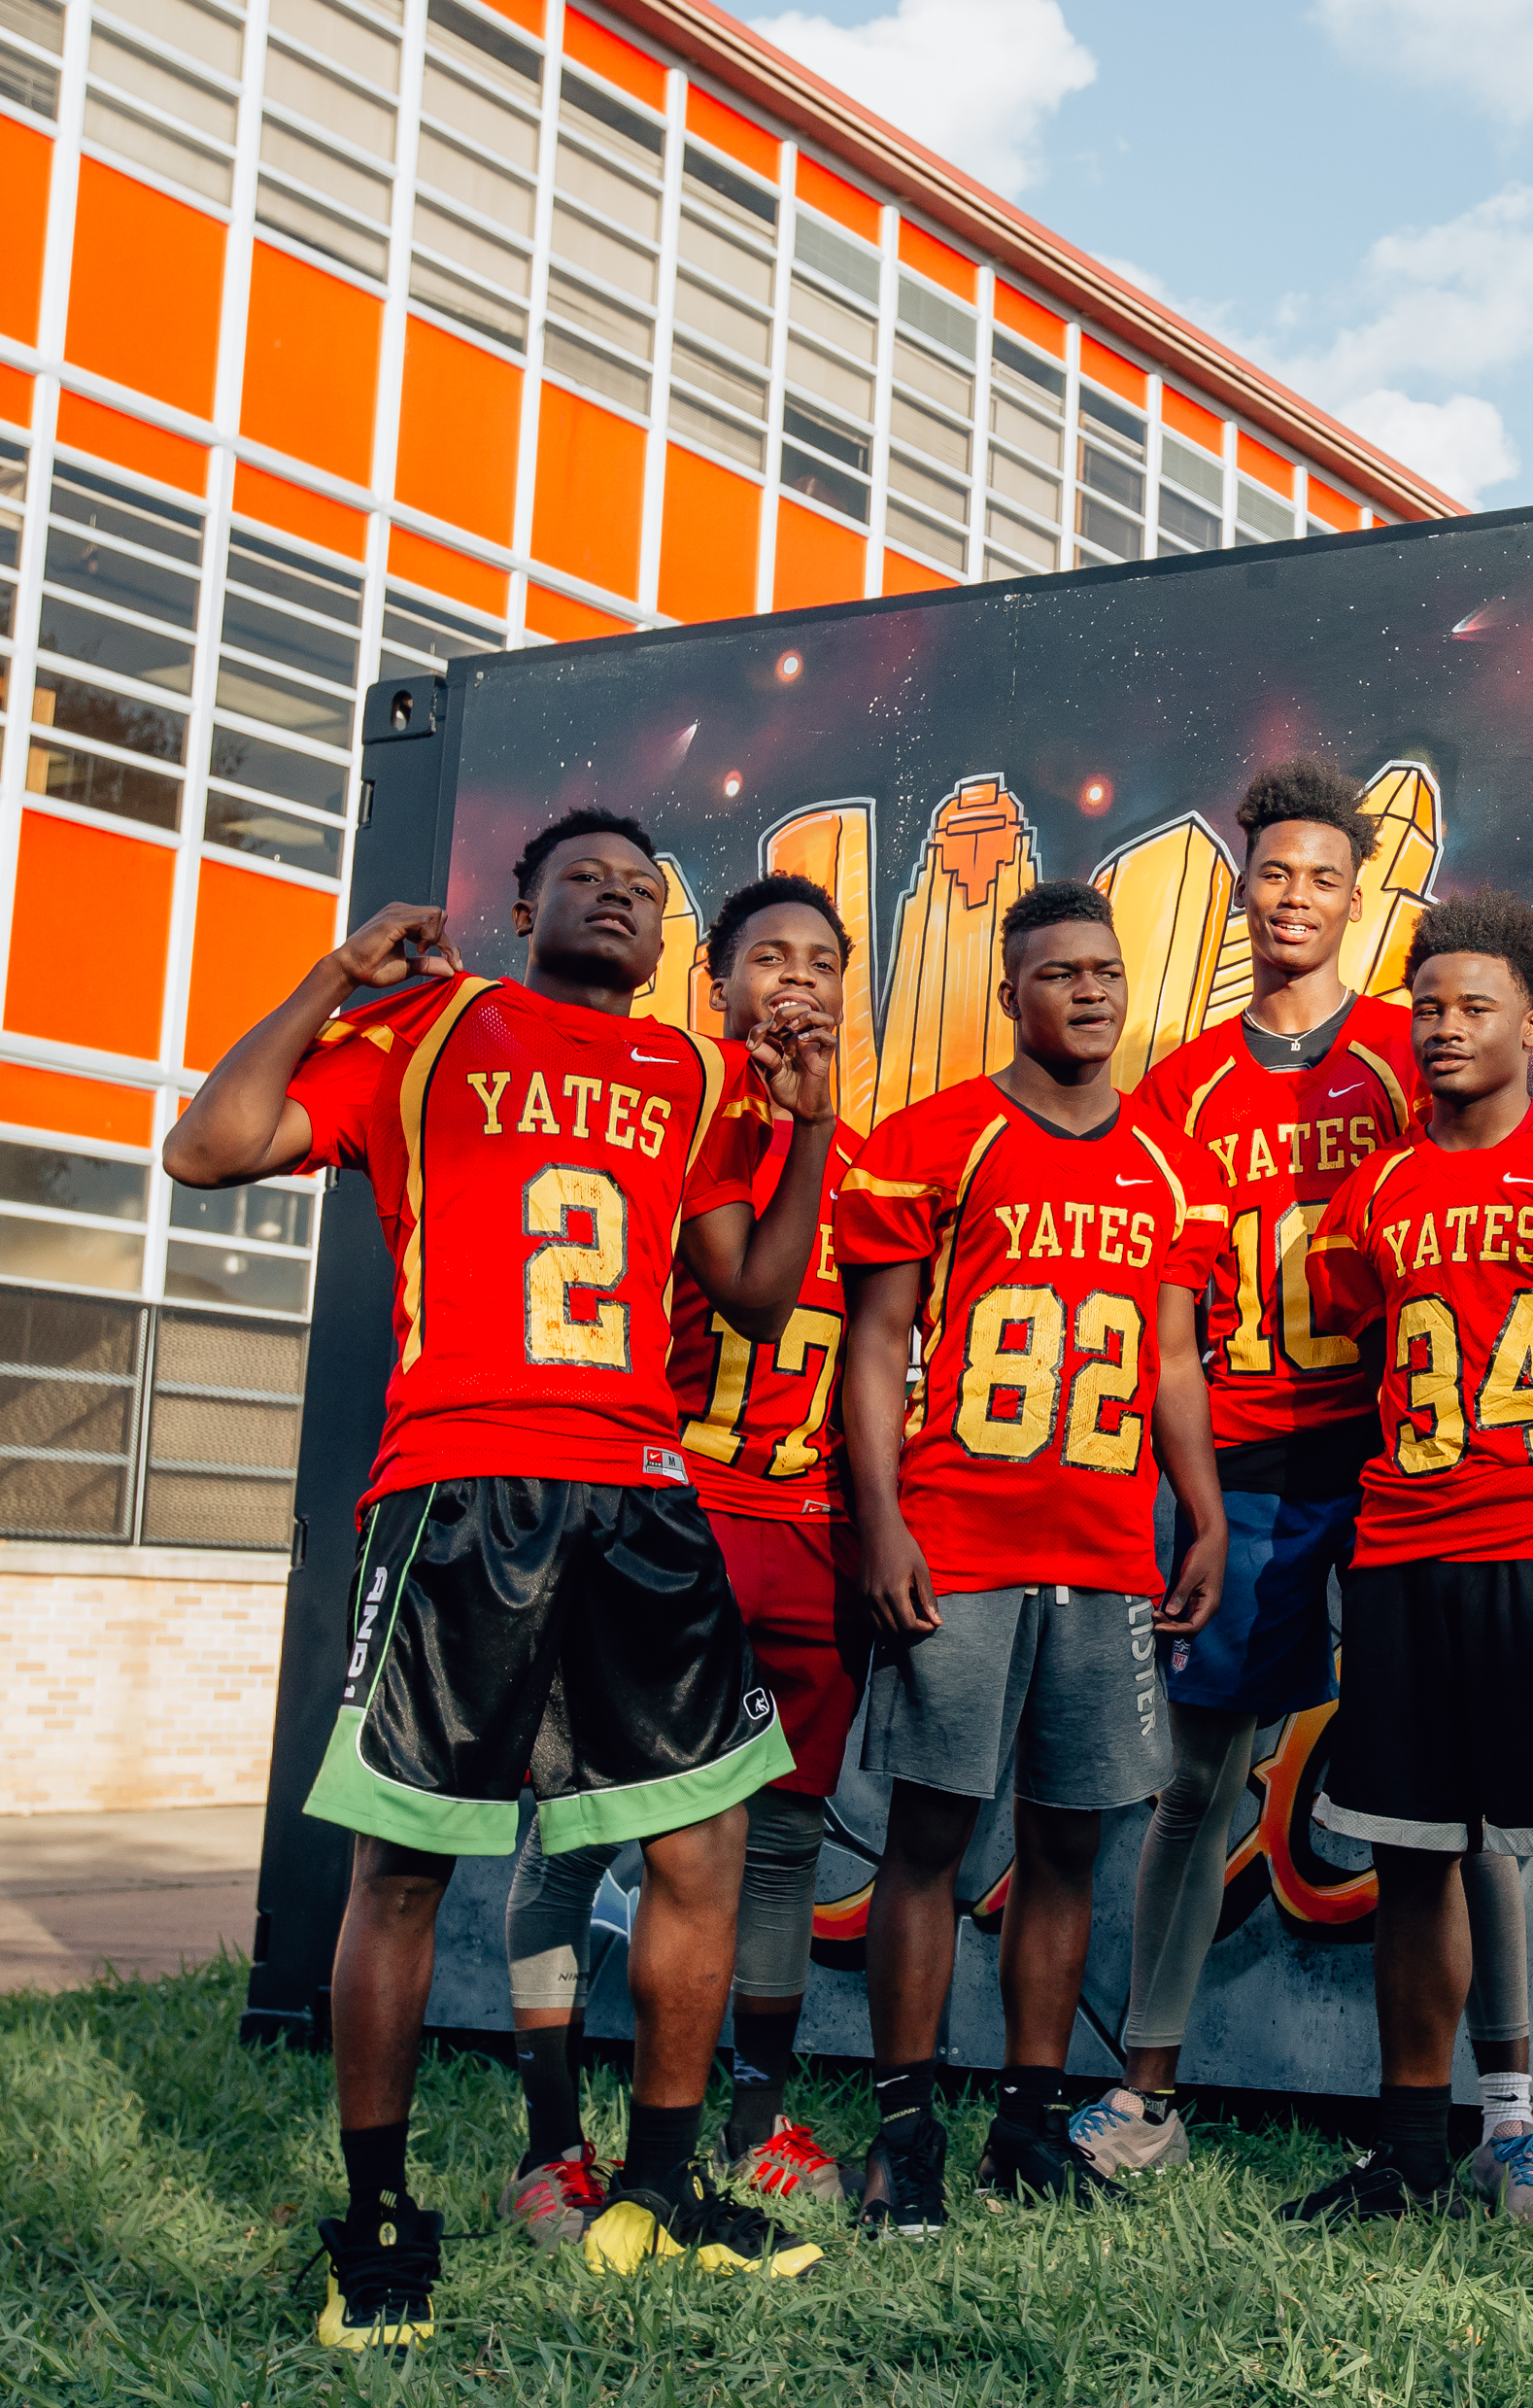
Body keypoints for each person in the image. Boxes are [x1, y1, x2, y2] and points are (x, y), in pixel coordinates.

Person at [164, 810, 837, 2349]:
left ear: (670, 940)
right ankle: (379, 2219)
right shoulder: (429, 1023)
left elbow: (758, 1288)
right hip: (462, 1485)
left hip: (641, 1486)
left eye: (644, 888)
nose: (618, 896)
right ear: (522, 902)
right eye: (586, 877)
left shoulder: (693, 1069)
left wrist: (809, 1123)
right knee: (402, 1867)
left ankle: (659, 2198)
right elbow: (204, 1148)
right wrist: (329, 980)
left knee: (702, 1847)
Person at [1075, 761, 1533, 2224]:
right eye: (1271, 872)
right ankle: (1147, 2091)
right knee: (1199, 1779)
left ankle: (1511, 2115)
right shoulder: (1183, 1084)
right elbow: (1163, 1321)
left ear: (1359, 895)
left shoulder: (1424, 1054)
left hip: (1410, 1457)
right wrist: (1199, 1500)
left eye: (1320, 877)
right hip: (1256, 1463)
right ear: (1245, 889)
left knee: (1463, 1798)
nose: (1293, 897)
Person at [1275, 892, 1533, 2266]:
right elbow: (1348, 1359)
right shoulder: (1376, 1187)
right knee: (1410, 1863)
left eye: (1475, 1006)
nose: (1446, 1029)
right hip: (1402, 1551)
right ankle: (1406, 2149)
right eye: (1429, 1007)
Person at [835, 877, 1230, 2234]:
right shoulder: (939, 1139)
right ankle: (902, 2129)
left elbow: (1176, 1357)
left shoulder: (1172, 1162)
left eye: (1107, 969)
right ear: (1011, 992)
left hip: (1110, 1549)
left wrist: (1205, 1507)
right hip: (964, 1536)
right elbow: (877, 1344)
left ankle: (1023, 2116)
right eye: (1059, 970)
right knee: (931, 1836)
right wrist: (880, 1516)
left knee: (1072, 1843)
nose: (1091, 989)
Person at [496, 876, 871, 2244]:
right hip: (653, 1520)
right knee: (568, 1831)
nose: (796, 979)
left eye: (822, 959)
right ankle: (551, 2140)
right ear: (712, 983)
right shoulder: (650, 1123)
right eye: (767, 954)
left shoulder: (867, 1158)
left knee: (777, 1848)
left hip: (806, 1536)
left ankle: (751, 2119)